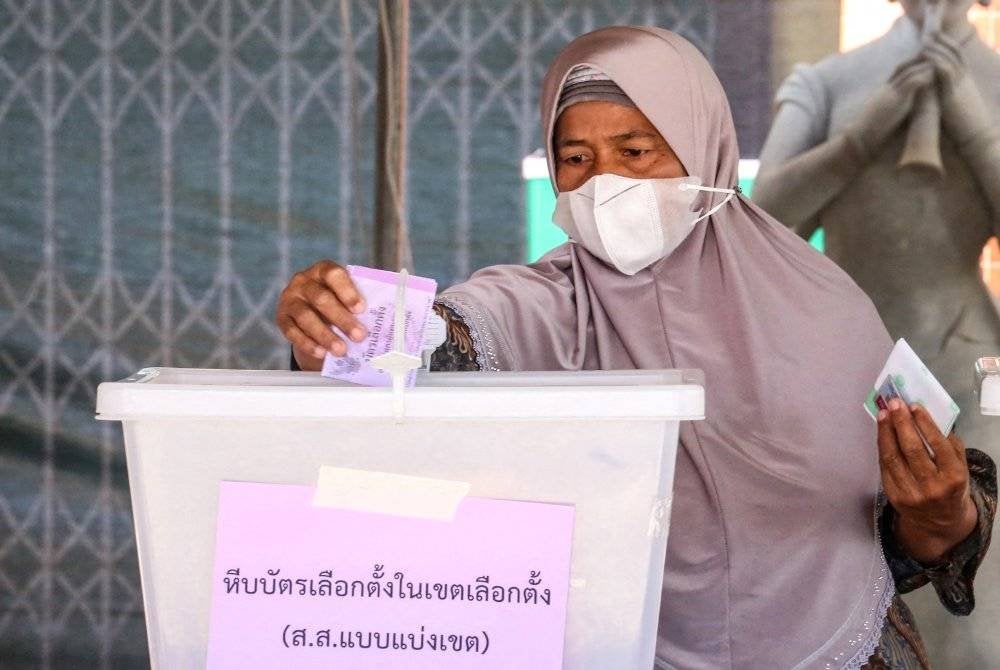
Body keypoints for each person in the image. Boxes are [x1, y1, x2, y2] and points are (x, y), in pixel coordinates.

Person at [276, 27, 995, 669]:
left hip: (843, 650)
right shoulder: (544, 305)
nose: (603, 182)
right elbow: (439, 337)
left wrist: (940, 516)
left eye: (636, 150)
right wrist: (337, 325)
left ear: (702, 145)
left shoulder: (825, 306)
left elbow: (914, 518)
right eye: (576, 157)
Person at [753, 2, 1000, 664]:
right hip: (841, 361)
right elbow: (761, 228)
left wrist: (977, 130)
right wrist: (861, 139)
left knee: (975, 594)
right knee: (838, 566)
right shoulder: (828, 83)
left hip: (966, 362)